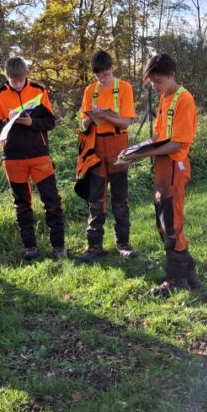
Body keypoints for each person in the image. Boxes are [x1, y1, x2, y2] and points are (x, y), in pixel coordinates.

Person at [118, 53, 201, 296]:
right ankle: (189, 271)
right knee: (165, 221)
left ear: (172, 75)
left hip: (174, 166)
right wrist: (134, 149)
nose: (155, 87)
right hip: (163, 167)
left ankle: (176, 281)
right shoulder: (166, 98)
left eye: (158, 82)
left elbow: (176, 143)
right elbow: (158, 137)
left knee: (171, 222)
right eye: (152, 83)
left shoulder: (184, 99)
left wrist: (140, 156)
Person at [0, 57, 66, 260]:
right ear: (7, 76)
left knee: (51, 201)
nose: (17, 83)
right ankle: (30, 247)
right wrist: (9, 121)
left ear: (26, 74)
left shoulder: (39, 91)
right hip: (13, 156)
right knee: (22, 203)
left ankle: (58, 246)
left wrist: (31, 121)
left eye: (20, 79)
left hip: (39, 154)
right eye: (13, 81)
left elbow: (50, 122)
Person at [77, 50, 138, 262]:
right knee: (95, 199)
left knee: (120, 198)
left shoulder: (124, 88)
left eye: (104, 74)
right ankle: (94, 245)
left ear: (112, 68)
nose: (101, 78)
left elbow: (127, 122)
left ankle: (123, 243)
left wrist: (108, 116)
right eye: (97, 75)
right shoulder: (89, 90)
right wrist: (93, 117)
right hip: (96, 147)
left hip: (118, 145)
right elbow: (83, 123)